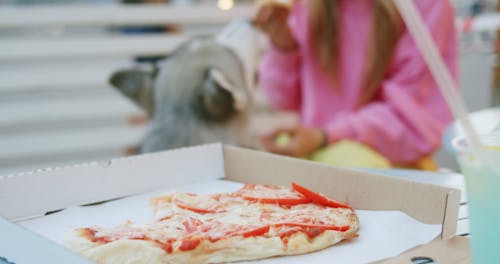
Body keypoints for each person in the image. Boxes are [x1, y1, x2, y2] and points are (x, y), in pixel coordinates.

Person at [255, 0, 458, 168]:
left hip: (391, 166)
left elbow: (413, 120)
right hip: (315, 153)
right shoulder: (307, 6)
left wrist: (325, 135)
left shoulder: (425, 6)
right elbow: (284, 100)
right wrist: (283, 44)